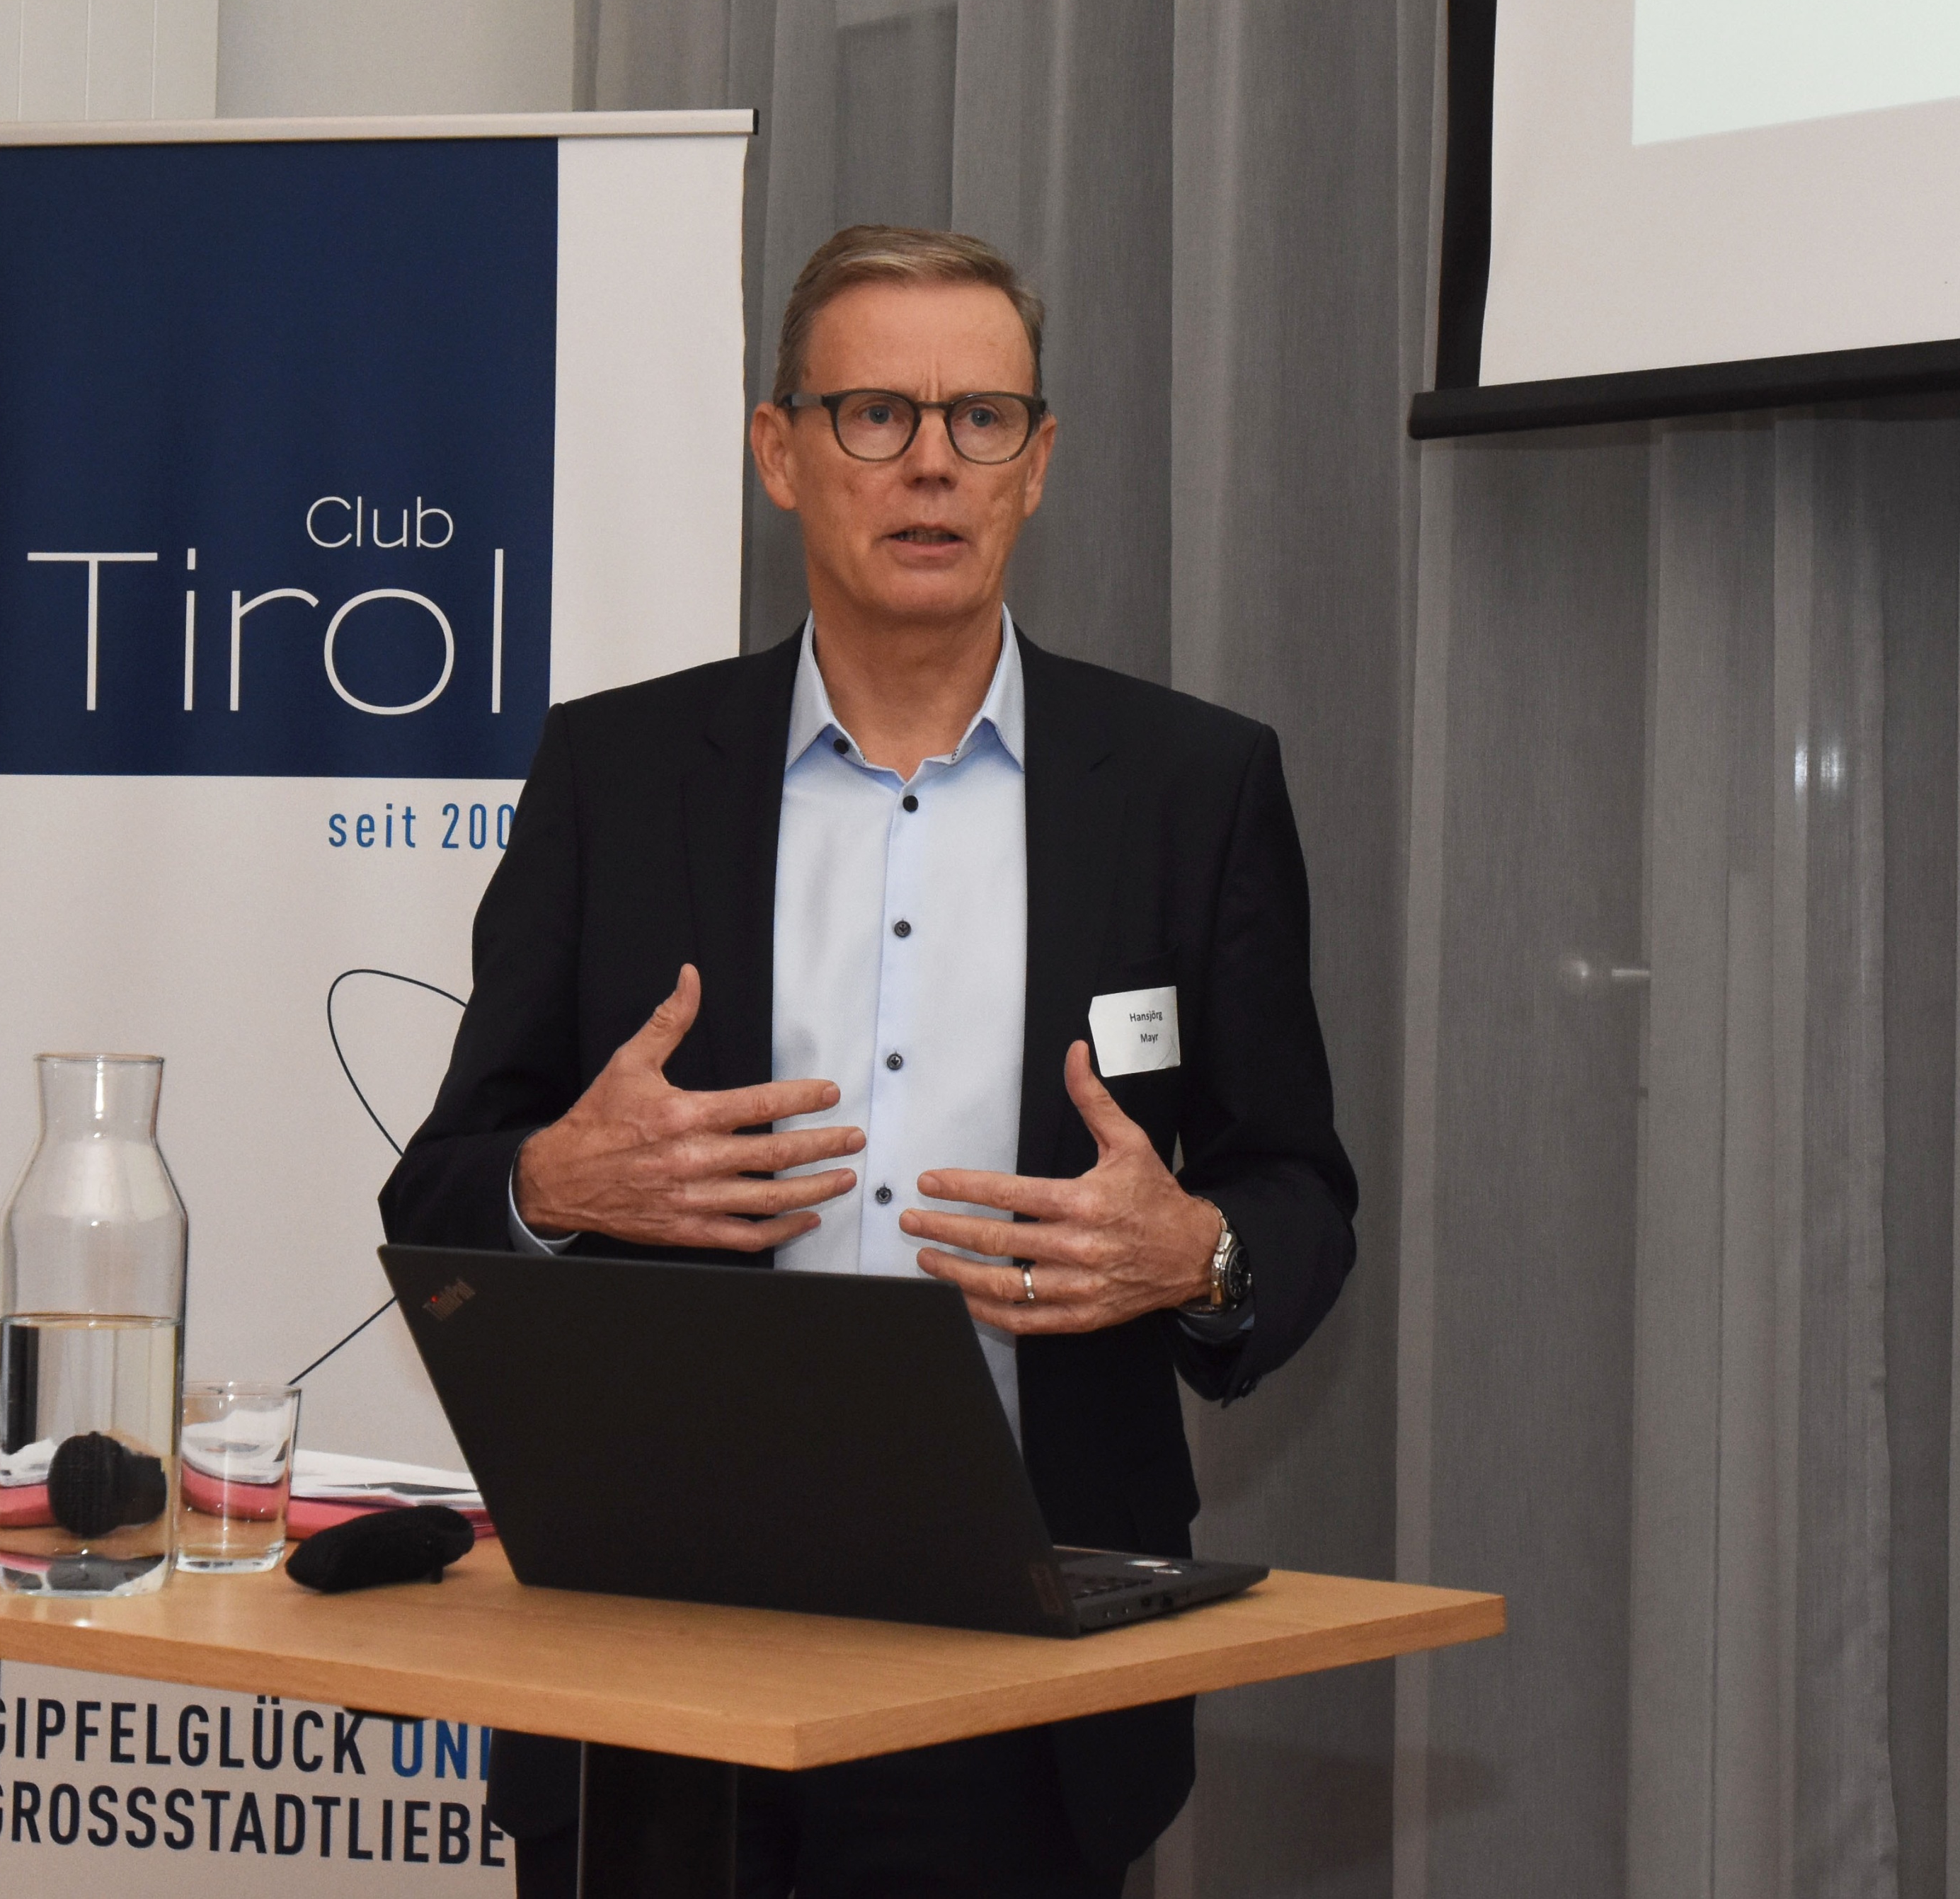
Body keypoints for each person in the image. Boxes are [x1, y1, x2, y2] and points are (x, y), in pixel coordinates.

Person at [379, 224, 1359, 1898]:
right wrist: (557, 1180)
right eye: (875, 415)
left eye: (982, 419)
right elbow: (441, 1194)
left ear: (1037, 464)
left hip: (1025, 1675)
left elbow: (1298, 1189)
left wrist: (1196, 1251)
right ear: (780, 452)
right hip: (655, 1649)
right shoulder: (618, 773)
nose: (932, 465)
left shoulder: (1189, 788)